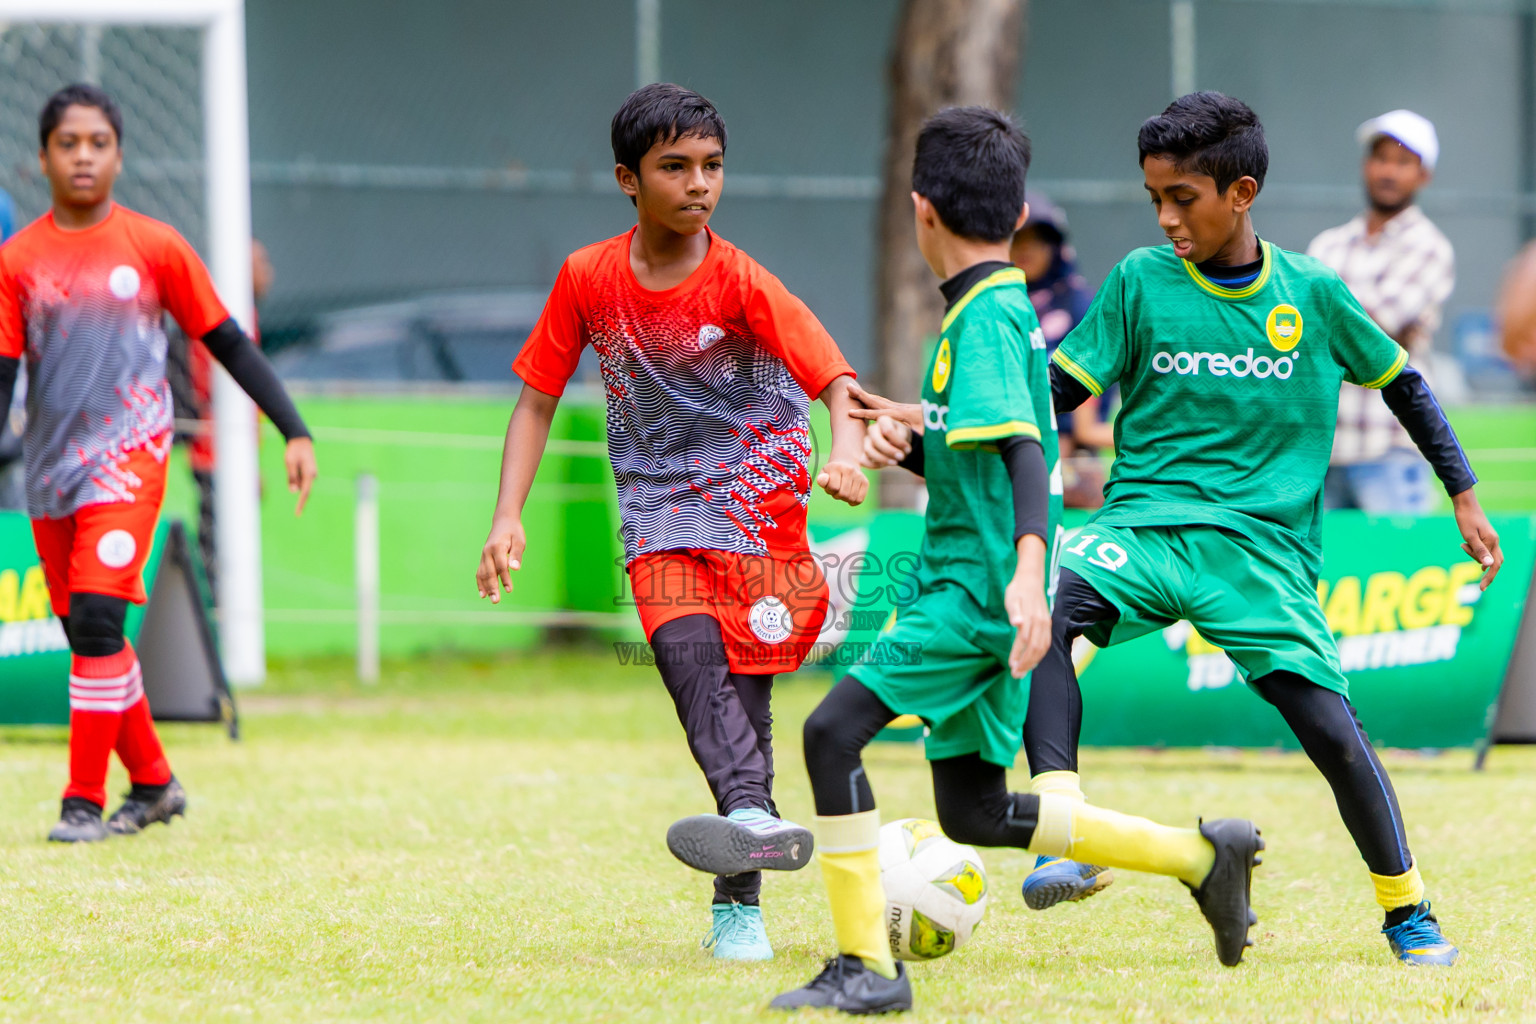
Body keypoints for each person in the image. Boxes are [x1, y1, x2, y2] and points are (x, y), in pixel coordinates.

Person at [742, 107, 1263, 1015]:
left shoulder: (979, 321)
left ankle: (867, 966)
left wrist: (1028, 573)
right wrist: (898, 437)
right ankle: (1201, 856)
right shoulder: (1005, 306)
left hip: (972, 595)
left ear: (920, 212)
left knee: (830, 735)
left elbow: (1027, 451)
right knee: (973, 812)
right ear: (1017, 213)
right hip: (987, 590)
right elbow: (979, 454)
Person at [1025, 92, 1502, 966]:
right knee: (1045, 623)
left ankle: (1409, 911)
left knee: (1332, 732)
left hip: (1261, 555)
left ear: (1240, 192)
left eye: (1183, 199)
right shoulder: (1138, 282)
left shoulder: (1313, 294)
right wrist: (947, 430)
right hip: (1141, 527)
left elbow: (1404, 384)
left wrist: (1463, 493)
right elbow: (1051, 395)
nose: (1166, 218)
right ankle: (1062, 831)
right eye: (1154, 199)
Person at [475, 83, 868, 962]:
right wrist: (508, 515)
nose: (700, 185)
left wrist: (844, 450)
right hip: (658, 509)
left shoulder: (740, 279)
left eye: (713, 167)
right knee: (688, 665)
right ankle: (751, 831)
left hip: (759, 508)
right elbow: (536, 402)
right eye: (676, 167)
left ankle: (740, 901)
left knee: (745, 706)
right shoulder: (587, 277)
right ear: (628, 178)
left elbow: (833, 374)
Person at [0, 84, 318, 843]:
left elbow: (228, 341)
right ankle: (154, 783)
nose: (83, 155)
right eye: (68, 142)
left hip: (130, 462)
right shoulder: (17, 261)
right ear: (43, 156)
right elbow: (3, 376)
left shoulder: (155, 246)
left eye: (98, 142)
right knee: (87, 634)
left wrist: (292, 429)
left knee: (102, 618)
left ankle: (81, 801)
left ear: (118, 154)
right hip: (51, 474)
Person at [1308, 110, 1454, 514]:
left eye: (1403, 162)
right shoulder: (1329, 245)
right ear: (1365, 165)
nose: (1389, 171)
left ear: (1424, 175)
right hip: (1322, 449)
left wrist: (1329, 322)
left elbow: (1372, 328)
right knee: (1321, 575)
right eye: (1381, 159)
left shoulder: (1429, 248)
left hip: (1390, 448)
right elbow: (1308, 326)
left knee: (1400, 571)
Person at [1010, 193, 1111, 508]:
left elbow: (1088, 412)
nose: (1025, 249)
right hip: (1004, 447)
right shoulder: (1001, 304)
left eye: (1036, 239)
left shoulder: (1081, 304)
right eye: (1017, 239)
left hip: (1073, 461)